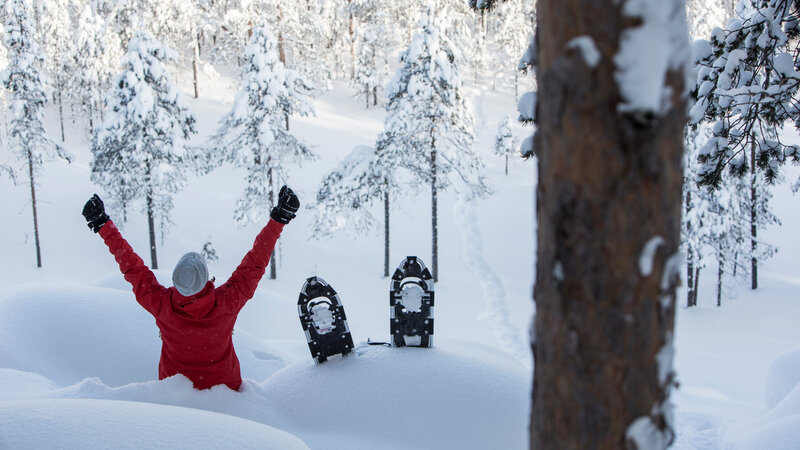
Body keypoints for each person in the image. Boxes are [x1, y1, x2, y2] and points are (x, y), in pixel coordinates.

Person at [82, 186, 300, 391]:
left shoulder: (161, 305)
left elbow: (132, 268)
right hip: (226, 395)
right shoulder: (226, 302)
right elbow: (255, 263)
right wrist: (278, 219)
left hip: (175, 397)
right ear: (206, 280)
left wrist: (103, 225)